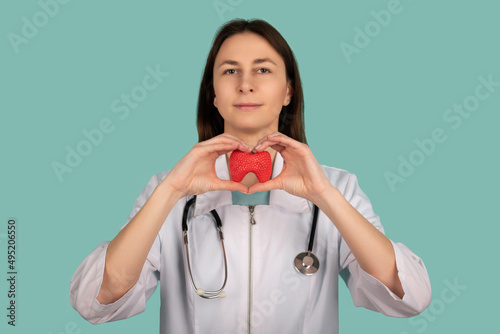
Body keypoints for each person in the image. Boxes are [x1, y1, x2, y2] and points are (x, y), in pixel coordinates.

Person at [69, 18, 431, 334]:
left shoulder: (337, 188)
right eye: (230, 70)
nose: (245, 84)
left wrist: (323, 193)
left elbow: (409, 296)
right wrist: (172, 190)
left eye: (263, 69)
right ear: (213, 94)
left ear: (288, 91)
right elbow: (96, 300)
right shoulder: (168, 190)